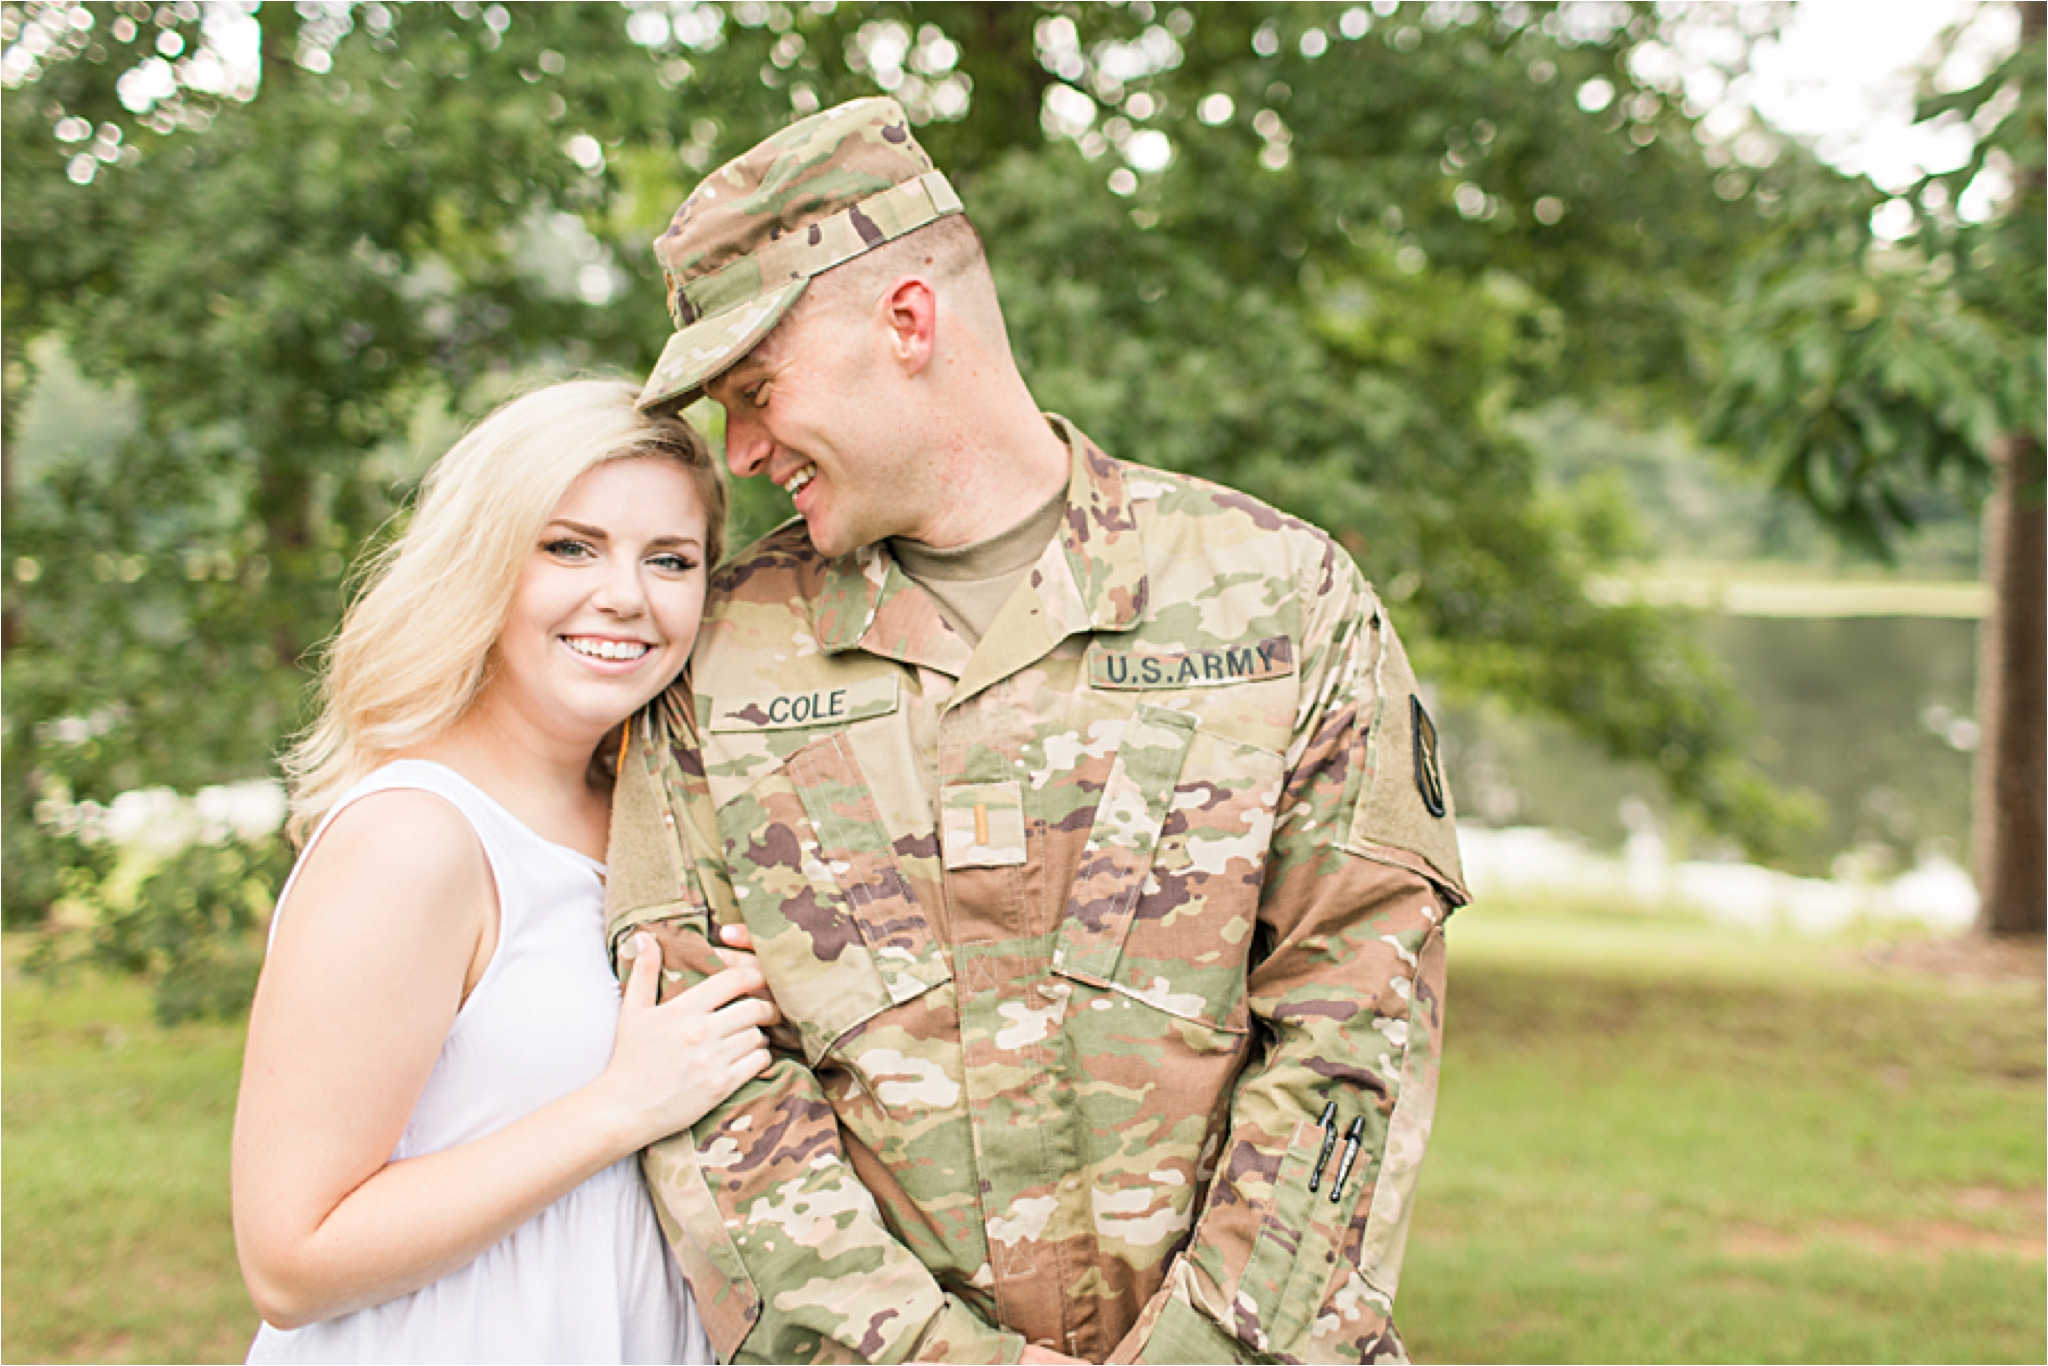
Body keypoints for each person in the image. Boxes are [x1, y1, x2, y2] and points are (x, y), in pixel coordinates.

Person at [607, 99, 1468, 1365]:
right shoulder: (714, 653)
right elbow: (707, 1078)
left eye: (755, 389)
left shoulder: (1279, 595)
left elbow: (1358, 1017)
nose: (738, 452)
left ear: (907, 319)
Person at [232, 379, 778, 1364]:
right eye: (570, 546)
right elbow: (290, 1258)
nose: (626, 594)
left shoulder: (662, 825)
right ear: (484, 560)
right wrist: (619, 1104)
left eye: (670, 559)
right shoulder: (416, 839)